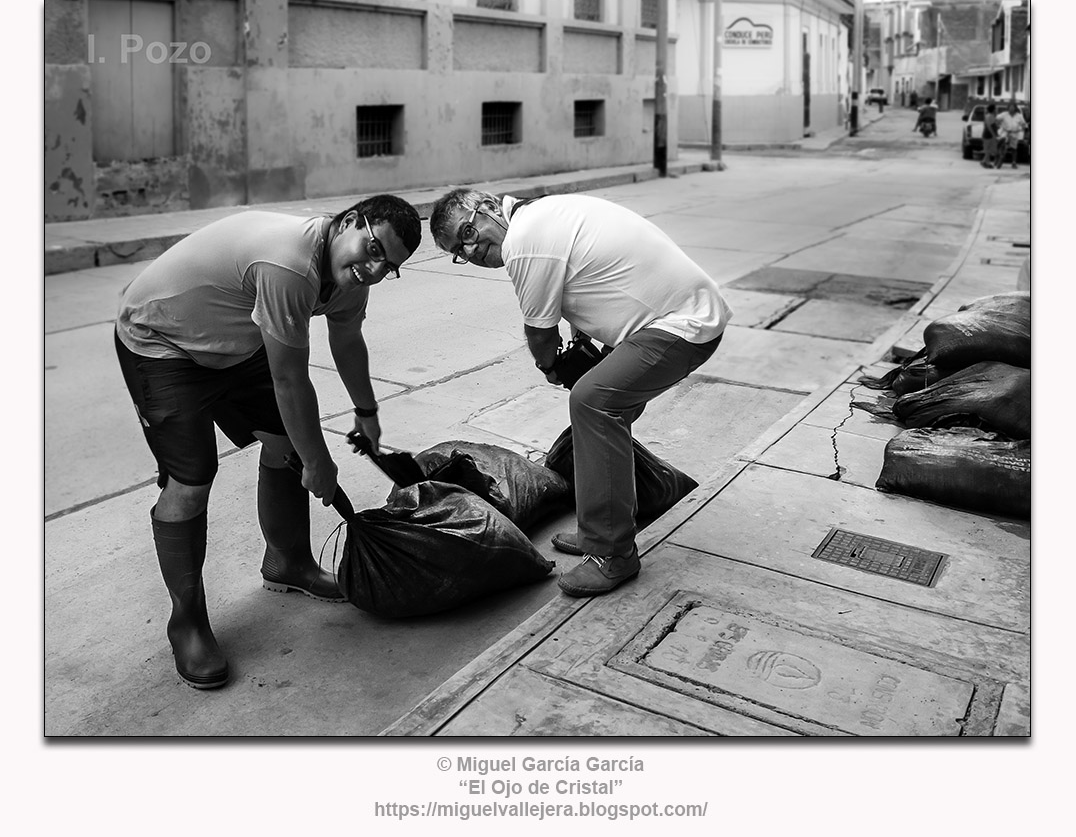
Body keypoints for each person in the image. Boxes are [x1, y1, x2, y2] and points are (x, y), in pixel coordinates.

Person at [114, 195, 422, 689]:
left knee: (285, 441)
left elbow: (346, 342)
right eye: (371, 248)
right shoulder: (288, 265)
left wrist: (367, 413)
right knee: (190, 481)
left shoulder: (351, 279)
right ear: (347, 222)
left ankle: (289, 562)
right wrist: (319, 462)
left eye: (388, 265)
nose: (373, 267)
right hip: (161, 338)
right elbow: (289, 380)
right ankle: (187, 621)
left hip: (233, 340)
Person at [428, 190, 732, 597]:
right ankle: (600, 532)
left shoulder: (524, 240)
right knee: (601, 408)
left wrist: (552, 367)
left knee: (592, 402)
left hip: (683, 324)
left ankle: (612, 554)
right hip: (670, 318)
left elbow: (540, 332)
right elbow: (586, 282)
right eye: (457, 251)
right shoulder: (543, 215)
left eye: (467, 232)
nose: (470, 249)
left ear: (486, 206)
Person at [997, 101, 1028, 169]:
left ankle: (1014, 162)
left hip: (1014, 133)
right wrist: (998, 123)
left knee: (1014, 149)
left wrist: (1022, 128)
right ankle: (998, 160)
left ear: (1015, 108)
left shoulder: (1019, 116)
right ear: (1008, 108)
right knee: (1002, 146)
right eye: (1010, 107)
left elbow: (1024, 124)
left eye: (1013, 107)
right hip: (1005, 133)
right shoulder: (1004, 114)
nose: (1011, 108)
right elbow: (997, 118)